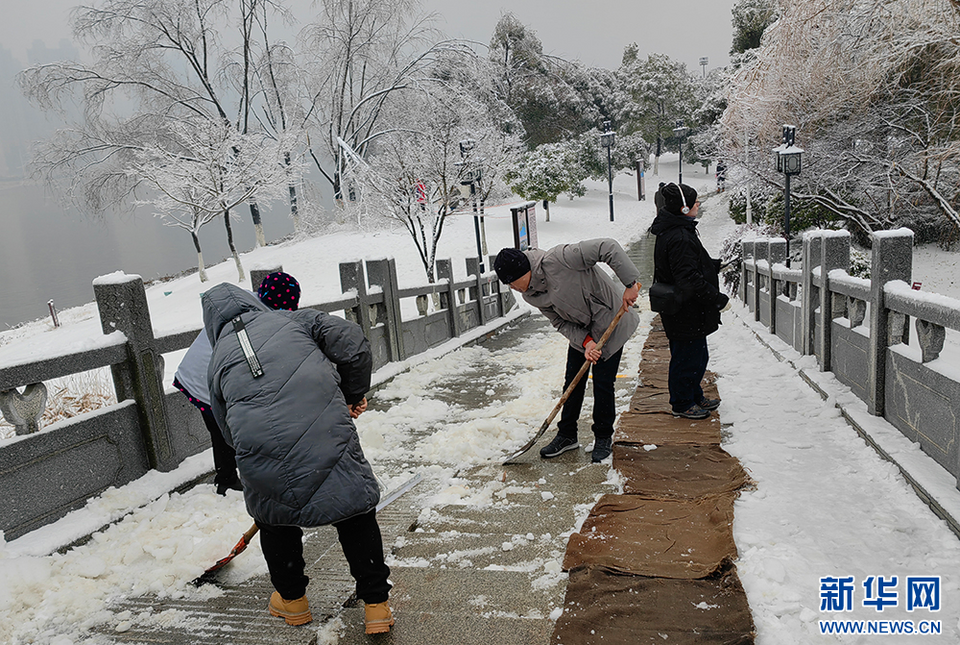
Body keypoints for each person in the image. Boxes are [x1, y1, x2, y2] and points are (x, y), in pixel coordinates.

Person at [201, 281, 393, 634]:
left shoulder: (218, 358)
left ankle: (293, 602)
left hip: (260, 447)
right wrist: (352, 393)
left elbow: (223, 422)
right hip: (325, 430)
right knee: (354, 513)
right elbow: (351, 341)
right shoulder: (295, 321)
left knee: (275, 520)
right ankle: (376, 606)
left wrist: (250, 451)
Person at [494, 239, 641, 463]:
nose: (512, 287)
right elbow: (560, 323)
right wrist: (586, 342)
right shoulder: (531, 295)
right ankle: (566, 435)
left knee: (602, 382)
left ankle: (603, 436)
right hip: (583, 332)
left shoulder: (561, 258)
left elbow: (608, 247)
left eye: (513, 281)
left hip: (611, 320)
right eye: (508, 284)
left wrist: (630, 283)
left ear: (524, 270)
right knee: (572, 380)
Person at [172, 271, 301, 496]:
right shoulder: (259, 320)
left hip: (195, 373)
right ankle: (228, 481)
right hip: (207, 379)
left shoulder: (244, 303)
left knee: (223, 431)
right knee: (230, 431)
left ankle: (229, 477)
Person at [650, 183, 729, 420]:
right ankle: (682, 402)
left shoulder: (677, 229)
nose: (698, 205)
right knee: (687, 357)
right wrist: (717, 299)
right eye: (694, 202)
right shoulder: (679, 235)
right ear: (683, 208)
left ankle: (694, 394)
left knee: (696, 355)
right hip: (684, 308)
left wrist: (711, 265)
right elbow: (688, 278)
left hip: (685, 307)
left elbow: (686, 265)